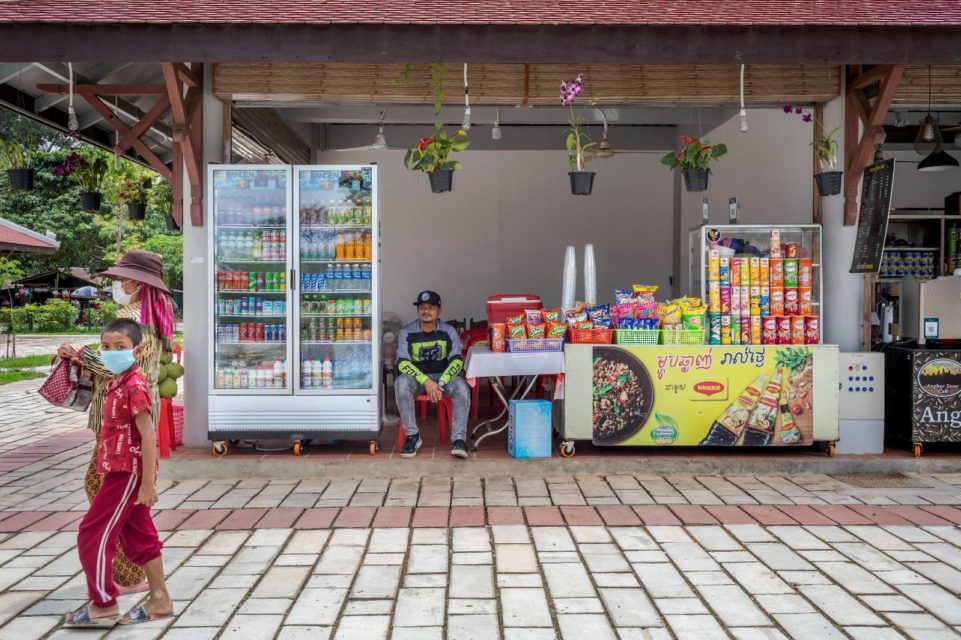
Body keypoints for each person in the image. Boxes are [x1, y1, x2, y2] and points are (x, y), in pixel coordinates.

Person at [57, 249, 174, 593]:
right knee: (121, 500)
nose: (118, 284)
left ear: (136, 282)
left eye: (122, 278)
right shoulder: (153, 311)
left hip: (125, 418)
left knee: (102, 489)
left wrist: (79, 353)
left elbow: (115, 365)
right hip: (123, 411)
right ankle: (136, 577)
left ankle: (125, 576)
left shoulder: (140, 317)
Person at [63, 318, 173, 628]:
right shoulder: (118, 381)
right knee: (139, 535)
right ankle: (160, 599)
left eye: (120, 347)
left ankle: (103, 603)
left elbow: (148, 434)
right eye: (107, 347)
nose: (112, 352)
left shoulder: (134, 385)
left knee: (92, 533)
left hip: (128, 473)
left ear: (136, 351)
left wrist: (147, 483)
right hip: (119, 470)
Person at [394, 290, 471, 459]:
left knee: (461, 386)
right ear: (417, 311)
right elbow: (402, 363)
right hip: (418, 381)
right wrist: (427, 381)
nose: (426, 311)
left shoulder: (448, 331)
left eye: (431, 307)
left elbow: (457, 361)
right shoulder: (407, 332)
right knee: (401, 383)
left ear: (439, 311)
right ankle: (412, 436)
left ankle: (458, 439)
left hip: (443, 380)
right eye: (422, 307)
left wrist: (441, 383)